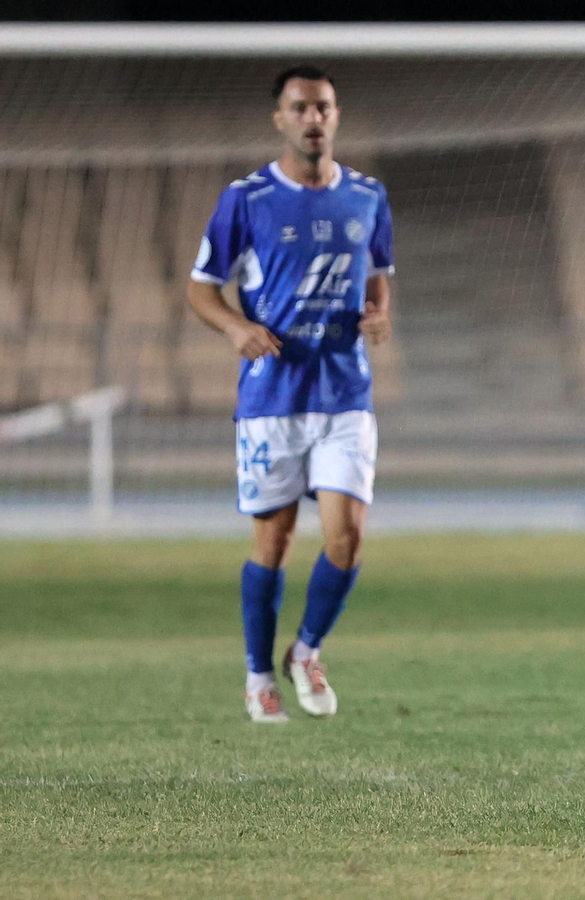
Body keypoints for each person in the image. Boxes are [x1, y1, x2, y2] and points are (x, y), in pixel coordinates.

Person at [187, 65, 395, 724]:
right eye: (301, 107)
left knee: (347, 540)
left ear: (336, 116)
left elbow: (378, 276)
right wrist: (237, 327)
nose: (314, 118)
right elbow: (200, 287)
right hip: (271, 397)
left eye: (324, 107)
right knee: (273, 543)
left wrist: (380, 313)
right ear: (280, 118)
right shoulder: (246, 199)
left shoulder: (367, 195)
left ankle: (305, 651)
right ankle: (257, 675)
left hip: (344, 392)